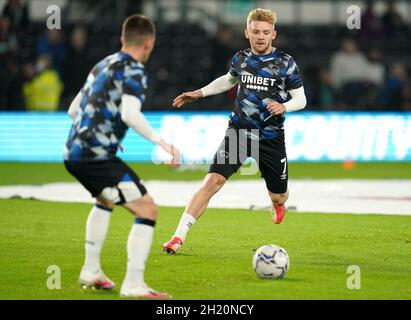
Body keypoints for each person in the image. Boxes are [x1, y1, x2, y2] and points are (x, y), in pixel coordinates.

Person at [162, 8, 306, 254]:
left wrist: (284, 106)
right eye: (256, 31)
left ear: (274, 34)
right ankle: (177, 237)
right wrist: (199, 92)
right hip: (238, 133)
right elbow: (229, 80)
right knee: (212, 182)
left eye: (265, 32)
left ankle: (277, 203)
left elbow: (301, 99)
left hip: (270, 138)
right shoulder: (241, 58)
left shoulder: (285, 63)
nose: (260, 36)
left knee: (279, 196)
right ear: (247, 32)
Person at [64, 14, 180, 298]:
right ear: (149, 43)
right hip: (95, 155)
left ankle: (90, 271)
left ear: (122, 39)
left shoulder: (103, 64)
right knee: (147, 209)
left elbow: (72, 109)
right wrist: (161, 142)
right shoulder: (135, 70)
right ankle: (133, 285)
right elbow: (130, 114)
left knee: (104, 199)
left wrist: (101, 134)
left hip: (74, 150)